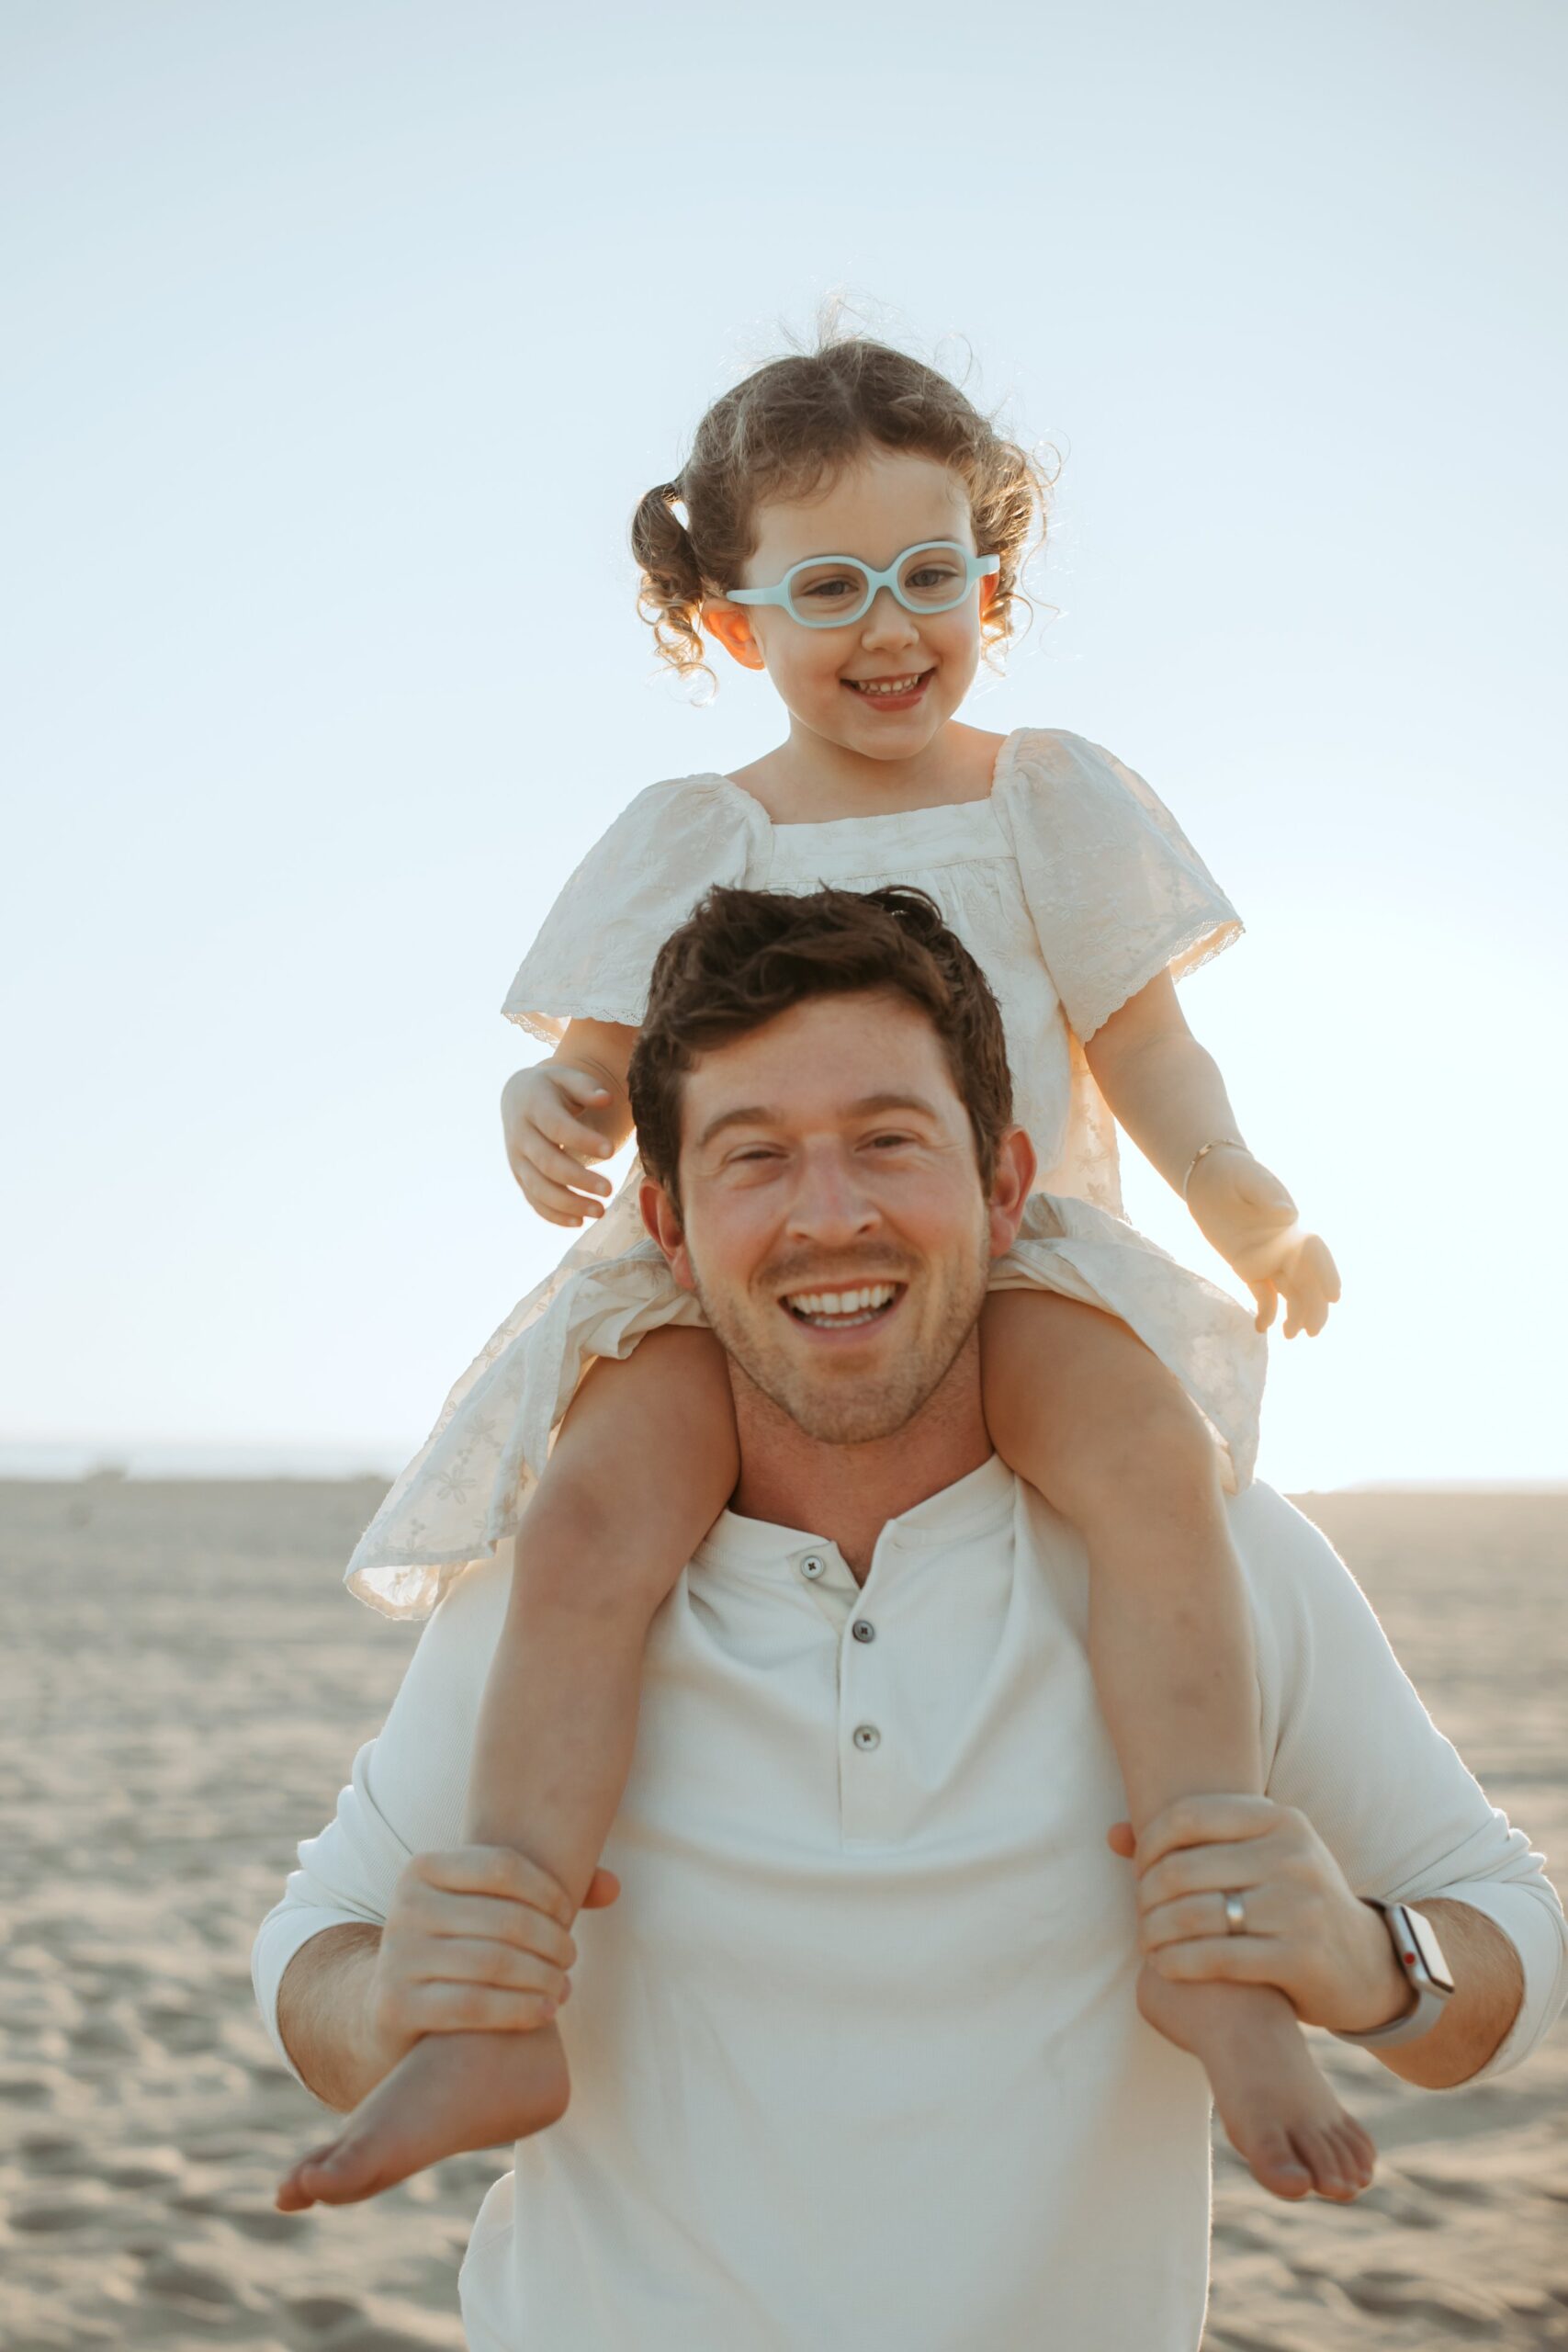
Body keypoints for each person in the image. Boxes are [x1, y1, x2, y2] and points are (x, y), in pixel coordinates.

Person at [293, 331, 1357, 2206]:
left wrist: (1237, 1192)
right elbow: (605, 1057)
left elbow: (1144, 1044)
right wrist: (544, 1106)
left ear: (991, 579)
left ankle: (1215, 1950)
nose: (889, 625)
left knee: (1139, 1466)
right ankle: (496, 1995)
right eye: (827, 585)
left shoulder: (1048, 793)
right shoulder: (699, 831)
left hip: (1005, 1261)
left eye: (931, 572)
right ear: (727, 618)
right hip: (747, 1293)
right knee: (593, 1516)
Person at [256, 884, 1567, 2352]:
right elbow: (315, 1945)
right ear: (666, 1230)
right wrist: (387, 2004)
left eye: (888, 1141)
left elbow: (1512, 1941)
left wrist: (1365, 1956)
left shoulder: (1209, 1548)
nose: (832, 1216)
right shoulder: (561, 1589)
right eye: (756, 1159)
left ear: (1010, 1187)